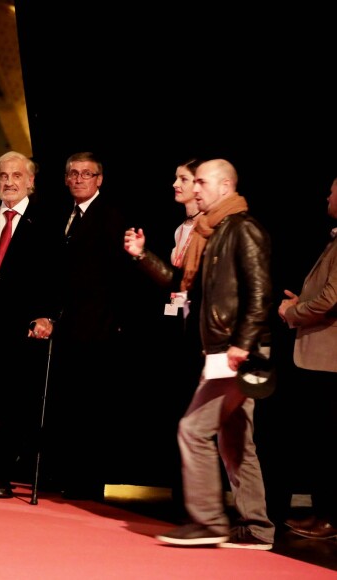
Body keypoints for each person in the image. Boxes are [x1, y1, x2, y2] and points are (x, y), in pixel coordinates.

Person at [155, 158, 276, 550]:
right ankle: (256, 527)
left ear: (225, 187)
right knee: (235, 438)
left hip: (237, 350)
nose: (196, 189)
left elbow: (260, 293)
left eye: (202, 182)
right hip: (225, 348)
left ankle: (207, 522)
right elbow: (184, 285)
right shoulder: (214, 231)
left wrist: (242, 344)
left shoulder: (243, 229)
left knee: (192, 429)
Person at [43, 151, 132, 501]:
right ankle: (68, 474)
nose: (79, 179)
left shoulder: (109, 217)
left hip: (98, 329)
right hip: (70, 327)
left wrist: (113, 323)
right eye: (74, 173)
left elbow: (118, 276)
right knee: (70, 406)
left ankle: (89, 483)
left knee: (93, 410)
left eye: (87, 174)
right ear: (65, 179)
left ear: (100, 180)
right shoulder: (64, 215)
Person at [123, 158, 205, 515]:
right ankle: (182, 501)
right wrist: (142, 256)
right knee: (177, 418)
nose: (175, 183)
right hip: (178, 332)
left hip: (201, 337)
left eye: (182, 178)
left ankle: (200, 507)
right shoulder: (182, 229)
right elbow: (175, 285)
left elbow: (194, 287)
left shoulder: (211, 229)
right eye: (175, 177)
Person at [0, 150, 58, 499]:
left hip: (22, 327)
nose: (9, 182)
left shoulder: (46, 222)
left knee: (15, 405)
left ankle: (1, 473)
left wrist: (47, 315)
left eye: (16, 176)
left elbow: (56, 276)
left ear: (30, 181)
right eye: (3, 176)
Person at [277, 176, 337, 540]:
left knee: (328, 442)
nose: (327, 195)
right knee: (322, 440)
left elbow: (331, 299)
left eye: (332, 191)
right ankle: (324, 514)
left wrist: (292, 312)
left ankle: (328, 517)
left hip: (328, 357)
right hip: (322, 354)